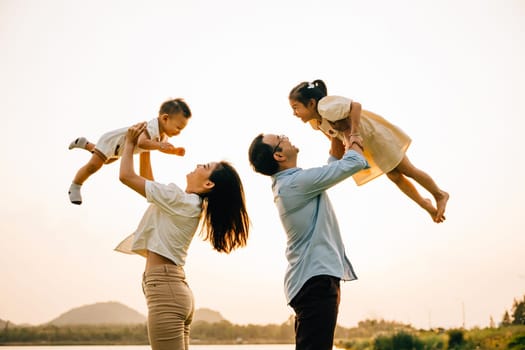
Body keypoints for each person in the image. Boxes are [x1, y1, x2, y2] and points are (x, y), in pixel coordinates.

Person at [115, 122, 250, 350]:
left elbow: (127, 176)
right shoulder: (186, 203)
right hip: (173, 288)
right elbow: (149, 182)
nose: (198, 165)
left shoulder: (179, 200)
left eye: (204, 166)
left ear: (208, 183)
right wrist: (147, 147)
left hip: (166, 289)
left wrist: (129, 144)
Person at [248, 130, 368, 350]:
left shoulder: (292, 183)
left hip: (313, 279)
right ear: (279, 155)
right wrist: (354, 134)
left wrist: (332, 130)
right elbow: (355, 162)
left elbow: (334, 162)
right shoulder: (295, 184)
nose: (286, 136)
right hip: (315, 281)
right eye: (280, 139)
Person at [289, 79, 449, 223]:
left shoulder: (325, 106)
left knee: (408, 169)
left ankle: (439, 194)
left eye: (296, 108)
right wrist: (340, 158)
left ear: (311, 103)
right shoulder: (316, 122)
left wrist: (354, 133)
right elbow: (333, 138)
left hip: (375, 136)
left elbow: (355, 106)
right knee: (395, 177)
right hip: (367, 144)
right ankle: (425, 204)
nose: (294, 113)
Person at [67, 98, 191, 205]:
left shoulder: (163, 134)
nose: (178, 132)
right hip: (113, 141)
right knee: (94, 165)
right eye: (178, 128)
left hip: (122, 149)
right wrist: (159, 145)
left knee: (106, 161)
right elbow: (142, 143)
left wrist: (173, 151)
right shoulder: (152, 127)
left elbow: (161, 147)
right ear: (165, 118)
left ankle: (85, 143)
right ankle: (76, 185)